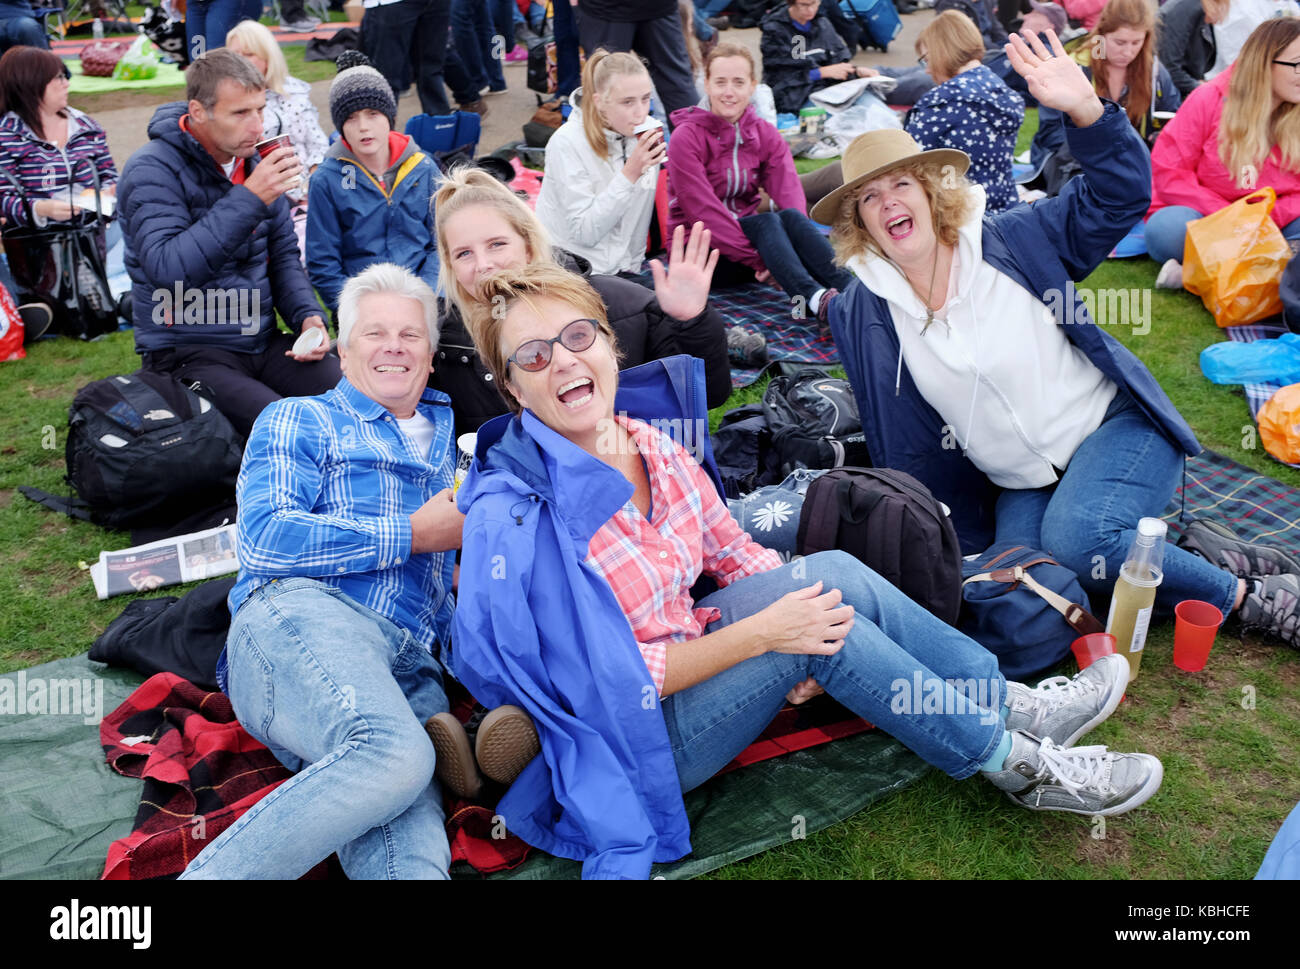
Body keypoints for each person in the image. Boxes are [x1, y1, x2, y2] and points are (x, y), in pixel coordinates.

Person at [449, 260, 1165, 880]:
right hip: (631, 738)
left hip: (687, 643)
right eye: (534, 356)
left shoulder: (647, 442)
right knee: (814, 632)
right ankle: (1017, 763)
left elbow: (729, 550)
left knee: (826, 577)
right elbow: (621, 679)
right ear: (512, 389)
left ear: (608, 342)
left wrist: (786, 592)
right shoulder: (528, 514)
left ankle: (1010, 702)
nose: (566, 361)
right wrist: (766, 636)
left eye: (578, 336)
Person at [816, 29, 1300, 653]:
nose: (888, 204)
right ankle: (1206, 552)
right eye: (869, 199)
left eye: (900, 186)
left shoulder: (1012, 240)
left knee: (1083, 540)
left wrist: (1089, 113)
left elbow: (1120, 196)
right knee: (1037, 579)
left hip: (1114, 429)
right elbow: (897, 430)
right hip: (1023, 480)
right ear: (860, 224)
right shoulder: (864, 310)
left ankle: (1255, 601)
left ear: (930, 193)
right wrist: (936, 527)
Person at [176, 263, 466, 879]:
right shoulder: (299, 419)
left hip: (411, 661)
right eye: (373, 333)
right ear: (342, 348)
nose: (393, 346)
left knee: (409, 851)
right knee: (392, 754)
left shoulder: (458, 451)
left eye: (410, 335)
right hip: (306, 614)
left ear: (432, 355)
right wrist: (415, 535)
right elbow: (265, 539)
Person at [117, 49, 340, 439]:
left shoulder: (252, 163)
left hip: (261, 338)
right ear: (198, 111)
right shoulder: (150, 169)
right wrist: (251, 198)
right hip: (187, 349)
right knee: (286, 428)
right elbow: (169, 271)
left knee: (351, 398)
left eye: (260, 109)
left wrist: (308, 317)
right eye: (240, 113)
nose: (257, 126)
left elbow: (284, 257)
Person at [432, 166, 735, 437]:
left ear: (527, 245)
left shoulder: (618, 306)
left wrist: (691, 322)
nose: (483, 264)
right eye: (464, 253)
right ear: (451, 266)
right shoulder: (443, 347)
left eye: (496, 244)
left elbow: (707, 395)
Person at [667, 43, 854, 326]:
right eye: (720, 82)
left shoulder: (763, 133)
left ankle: (855, 292)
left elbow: (790, 194)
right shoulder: (686, 137)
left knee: (789, 216)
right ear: (706, 84)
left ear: (753, 86)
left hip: (751, 249)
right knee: (767, 222)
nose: (729, 91)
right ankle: (816, 301)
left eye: (738, 82)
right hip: (699, 257)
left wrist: (791, 252)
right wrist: (761, 261)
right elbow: (701, 212)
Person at [1146, 18, 1300, 277]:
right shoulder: (1209, 99)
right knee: (1166, 230)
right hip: (1209, 216)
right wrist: (1231, 216)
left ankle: (1200, 273)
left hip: (1270, 219)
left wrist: (1264, 217)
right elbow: (1170, 172)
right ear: (1264, 63)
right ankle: (1268, 266)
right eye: (1297, 64)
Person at [306, 55, 441, 317]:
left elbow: (443, 243)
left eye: (373, 114)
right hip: (361, 310)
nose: (364, 127)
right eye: (351, 118)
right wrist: (356, 311)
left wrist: (427, 294)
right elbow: (323, 264)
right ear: (340, 126)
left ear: (389, 117)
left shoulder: (423, 167)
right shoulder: (326, 180)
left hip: (425, 300)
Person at [0, 46, 118, 336]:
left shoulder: (87, 126)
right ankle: (32, 309)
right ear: (31, 84)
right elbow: (2, 197)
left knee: (137, 229)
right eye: (58, 78)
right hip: (38, 242)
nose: (67, 83)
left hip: (92, 230)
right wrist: (41, 209)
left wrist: (104, 195)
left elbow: (109, 175)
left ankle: (119, 297)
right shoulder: (7, 135)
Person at [535, 50, 666, 277]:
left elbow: (638, 222)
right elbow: (584, 233)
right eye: (627, 102)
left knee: (683, 307)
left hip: (624, 270)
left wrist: (632, 273)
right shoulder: (566, 142)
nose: (640, 112)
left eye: (645, 99)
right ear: (599, 102)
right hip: (572, 272)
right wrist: (630, 174)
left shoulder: (645, 132)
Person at [1033, 0, 1181, 175]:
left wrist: (1159, 138)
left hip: (1134, 165)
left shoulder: (1154, 72)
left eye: (1136, 43)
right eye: (1120, 42)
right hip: (1077, 164)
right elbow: (1052, 133)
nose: (1127, 52)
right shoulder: (1076, 68)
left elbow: (1174, 120)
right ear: (1101, 36)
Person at [226, 19, 330, 256]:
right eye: (235, 55)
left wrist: (311, 187)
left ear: (267, 57)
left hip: (305, 187)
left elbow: (318, 144)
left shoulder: (294, 93)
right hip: (263, 194)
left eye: (249, 54)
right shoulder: (228, 106)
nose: (241, 62)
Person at [907, 10, 1025, 214]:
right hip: (1006, 210)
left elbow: (907, 161)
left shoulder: (940, 102)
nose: (927, 69)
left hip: (957, 218)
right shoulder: (1003, 92)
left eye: (926, 59)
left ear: (941, 50)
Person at [577, 0, 701, 118]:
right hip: (610, 10)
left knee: (605, 85)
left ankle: (693, 138)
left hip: (612, 9)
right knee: (605, 86)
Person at [759, 0, 859, 115]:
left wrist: (856, 71)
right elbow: (780, 76)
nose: (810, 10)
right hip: (793, 97)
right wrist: (820, 73)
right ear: (791, 3)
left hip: (825, 90)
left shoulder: (822, 23)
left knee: (869, 104)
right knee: (844, 116)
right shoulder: (775, 30)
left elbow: (838, 59)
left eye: (814, 3)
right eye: (804, 5)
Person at [1159, 0, 1228, 99]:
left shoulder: (1201, 8)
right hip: (1171, 96)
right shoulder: (1187, 7)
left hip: (1182, 88)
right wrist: (1200, 87)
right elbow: (1169, 67)